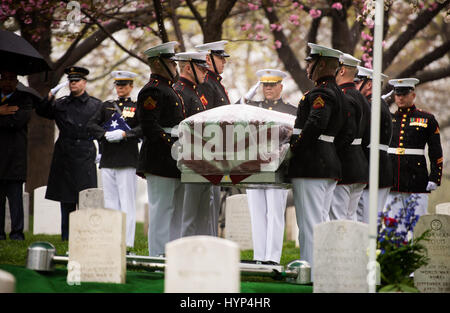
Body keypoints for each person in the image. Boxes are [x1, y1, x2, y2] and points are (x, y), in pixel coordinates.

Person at [288, 43, 345, 278]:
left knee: (310, 224)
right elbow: (346, 133)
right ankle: (321, 272)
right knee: (320, 222)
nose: (307, 67)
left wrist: (294, 148)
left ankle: (310, 273)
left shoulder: (320, 94)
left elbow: (314, 125)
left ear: (321, 64)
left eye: (310, 62)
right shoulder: (339, 93)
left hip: (312, 166)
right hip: (328, 163)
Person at [35, 66, 102, 241]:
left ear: (84, 83)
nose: (73, 84)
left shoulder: (95, 104)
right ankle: (66, 236)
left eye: (77, 80)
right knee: (66, 198)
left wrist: (101, 150)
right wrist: (50, 94)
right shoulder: (61, 103)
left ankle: (87, 236)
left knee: (86, 197)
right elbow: (41, 111)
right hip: (65, 152)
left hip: (85, 151)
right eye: (71, 81)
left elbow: (103, 128)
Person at [136, 41, 186, 256]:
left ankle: (171, 255)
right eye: (170, 62)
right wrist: (171, 145)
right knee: (161, 210)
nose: (175, 67)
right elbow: (149, 126)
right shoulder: (152, 91)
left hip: (172, 159)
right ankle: (157, 256)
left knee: (173, 211)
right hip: (160, 159)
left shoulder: (167, 89)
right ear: (158, 63)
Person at [243, 69, 296, 265]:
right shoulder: (251, 107)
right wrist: (249, 94)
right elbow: (234, 110)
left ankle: (272, 257)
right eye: (264, 85)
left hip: (277, 168)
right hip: (254, 167)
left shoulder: (291, 110)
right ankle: (259, 256)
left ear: (280, 86)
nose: (268, 89)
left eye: (272, 85)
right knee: (256, 213)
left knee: (274, 213)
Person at [86, 70, 142, 249]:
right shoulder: (106, 106)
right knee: (110, 202)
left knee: (127, 203)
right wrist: (104, 134)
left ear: (131, 87)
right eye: (118, 85)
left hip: (127, 159)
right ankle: (112, 240)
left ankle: (127, 242)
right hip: (108, 159)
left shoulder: (136, 106)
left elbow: (143, 128)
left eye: (124, 85)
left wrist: (126, 133)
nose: (120, 88)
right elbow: (91, 125)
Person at [386, 78, 443, 230]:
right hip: (393, 179)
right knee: (393, 226)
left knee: (417, 226)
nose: (400, 97)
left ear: (413, 95)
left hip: (417, 179)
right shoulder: (388, 118)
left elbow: (435, 150)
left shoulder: (427, 119)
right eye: (397, 94)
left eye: (404, 94)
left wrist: (435, 177)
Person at [173, 51, 213, 237]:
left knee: (201, 216)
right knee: (187, 217)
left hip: (201, 160)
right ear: (188, 68)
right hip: (189, 161)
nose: (206, 71)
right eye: (201, 68)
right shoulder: (180, 92)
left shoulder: (194, 92)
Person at [195, 40, 231, 236]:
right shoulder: (207, 83)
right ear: (208, 58)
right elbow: (207, 117)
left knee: (213, 203)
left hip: (216, 151)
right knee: (207, 204)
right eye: (220, 58)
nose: (224, 62)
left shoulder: (215, 82)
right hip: (209, 150)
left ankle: (210, 241)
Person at [330, 54, 370, 221]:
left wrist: (331, 154)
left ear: (342, 70)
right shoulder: (362, 98)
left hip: (344, 165)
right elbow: (367, 136)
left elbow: (345, 133)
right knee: (350, 218)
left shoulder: (343, 96)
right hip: (359, 164)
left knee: (338, 220)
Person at [354, 66, 393, 223]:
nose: (355, 86)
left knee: (367, 223)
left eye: (358, 83)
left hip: (374, 169)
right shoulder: (376, 103)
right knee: (369, 221)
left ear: (369, 84)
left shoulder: (372, 105)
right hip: (378, 168)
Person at [0, 70, 35, 240]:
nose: (7, 82)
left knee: (15, 199)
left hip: (15, 158)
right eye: (4, 78)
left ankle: (17, 233)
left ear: (16, 81)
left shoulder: (24, 99)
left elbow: (17, 122)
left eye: (10, 79)